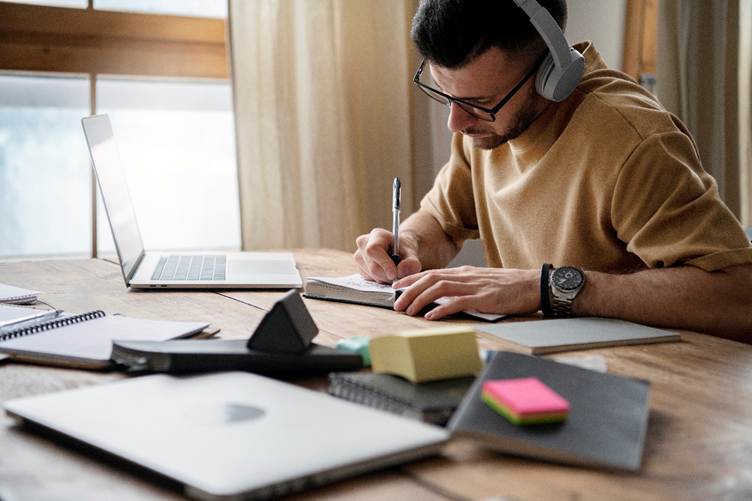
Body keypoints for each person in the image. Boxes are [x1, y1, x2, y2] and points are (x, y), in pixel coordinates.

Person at [354, 0, 752, 339]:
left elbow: (739, 297)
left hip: (657, 381)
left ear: (552, 75)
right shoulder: (484, 127)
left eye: (478, 102)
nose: (455, 123)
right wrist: (407, 245)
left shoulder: (633, 141)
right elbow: (441, 222)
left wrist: (548, 286)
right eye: (446, 94)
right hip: (539, 359)